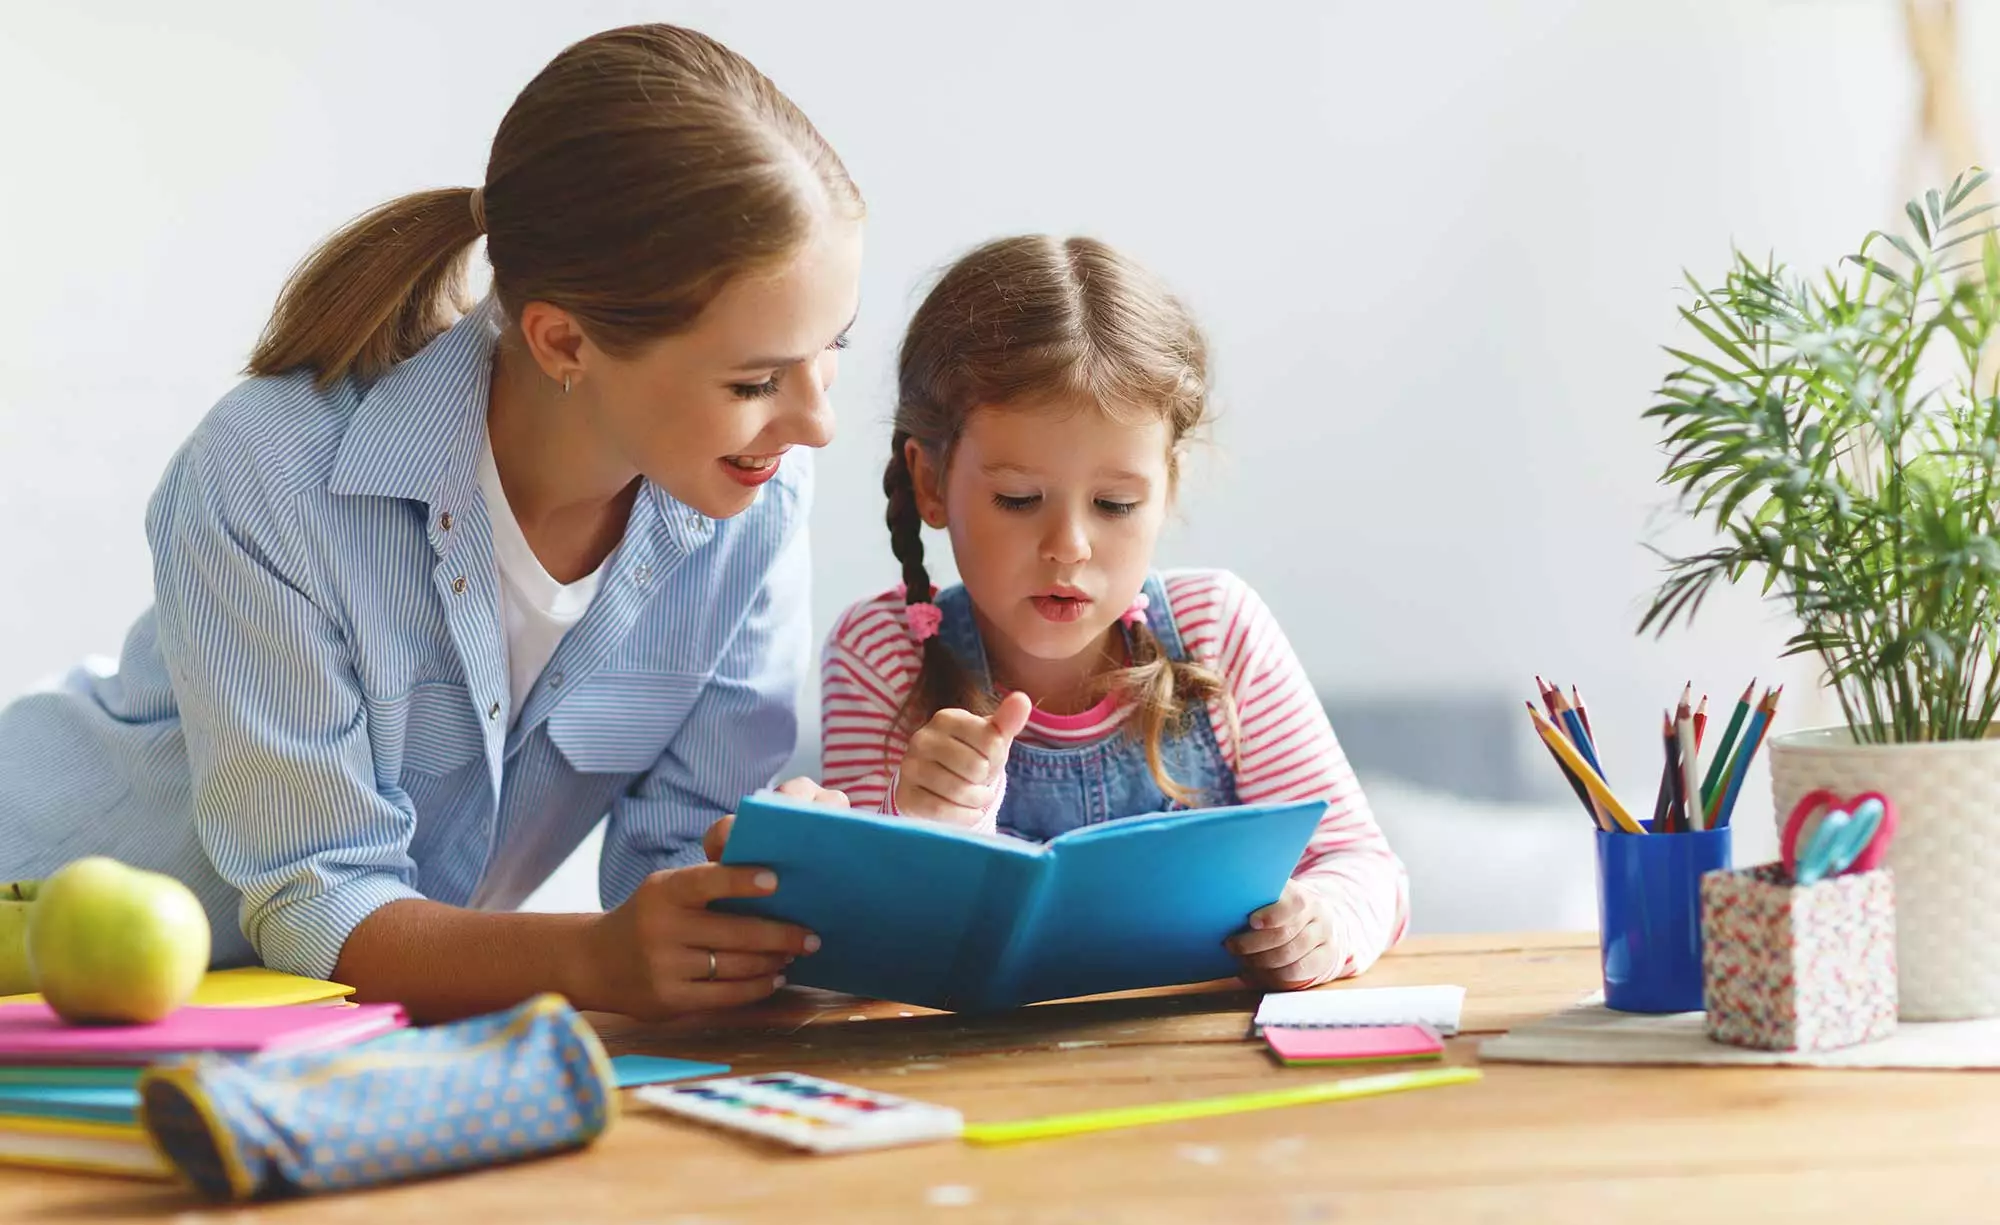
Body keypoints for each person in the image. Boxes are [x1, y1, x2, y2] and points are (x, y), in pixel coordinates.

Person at [0, 24, 861, 1022]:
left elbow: (670, 871)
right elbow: (318, 899)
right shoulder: (273, 471)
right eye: (755, 380)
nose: (816, 423)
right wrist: (590, 957)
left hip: (310, 1032)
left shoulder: (754, 501)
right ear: (564, 340)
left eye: (829, 352)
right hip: (43, 964)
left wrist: (765, 877)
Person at [820, 236, 1408, 989]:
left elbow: (1363, 863)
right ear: (930, 481)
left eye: (1115, 504)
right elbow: (865, 945)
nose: (1068, 547)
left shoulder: (1216, 629)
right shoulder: (882, 653)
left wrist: (1324, 926)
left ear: (1168, 487)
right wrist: (936, 816)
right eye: (1019, 499)